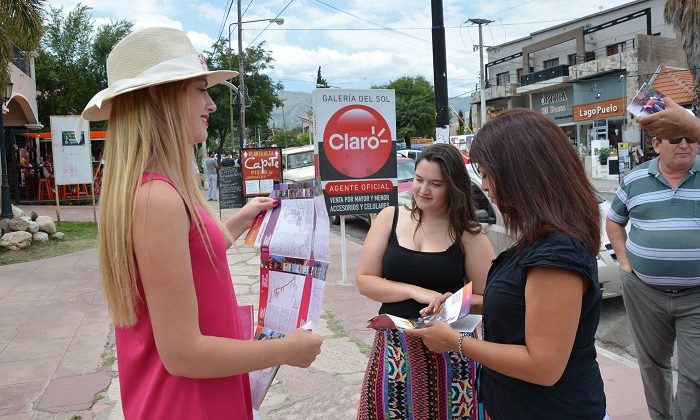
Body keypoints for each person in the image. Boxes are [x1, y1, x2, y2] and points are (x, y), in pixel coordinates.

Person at [81, 27, 321, 420]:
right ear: (159, 94)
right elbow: (184, 354)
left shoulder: (153, 186)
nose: (210, 104)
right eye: (199, 90)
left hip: (189, 397)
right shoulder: (157, 196)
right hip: (188, 403)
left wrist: (242, 218)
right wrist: (286, 350)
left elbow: (188, 257)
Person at [406, 109, 607, 419]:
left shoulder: (557, 255)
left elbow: (543, 366)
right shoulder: (540, 238)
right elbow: (524, 306)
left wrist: (455, 342)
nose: (484, 186)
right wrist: (462, 304)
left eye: (487, 174)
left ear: (520, 173)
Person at [356, 143, 495, 419]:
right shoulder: (390, 217)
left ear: (453, 187)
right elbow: (365, 280)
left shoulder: (468, 234)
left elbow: (490, 298)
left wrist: (452, 301)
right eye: (419, 180)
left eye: (435, 184)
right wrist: (418, 292)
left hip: (449, 349)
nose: (422, 190)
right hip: (394, 347)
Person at [607, 100, 700, 419]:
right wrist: (623, 260)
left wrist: (690, 124)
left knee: (696, 374)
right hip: (644, 291)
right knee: (652, 364)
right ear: (657, 144)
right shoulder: (634, 180)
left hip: (697, 296)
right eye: (676, 137)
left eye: (690, 137)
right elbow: (614, 220)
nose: (685, 144)